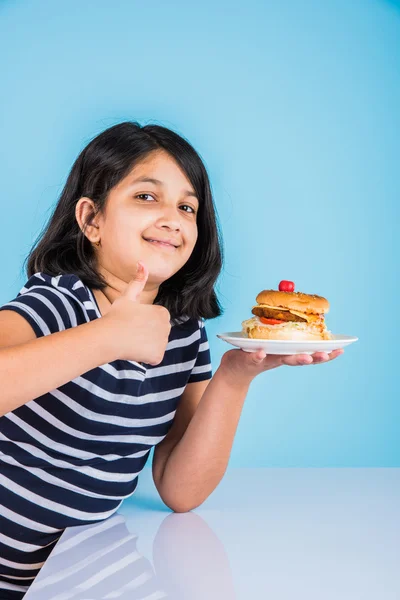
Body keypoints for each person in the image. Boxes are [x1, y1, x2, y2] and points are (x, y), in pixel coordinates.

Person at [0, 121, 344, 598]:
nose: (172, 218)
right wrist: (107, 337)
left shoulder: (183, 334)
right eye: (146, 197)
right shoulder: (58, 301)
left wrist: (235, 376)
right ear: (91, 220)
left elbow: (180, 490)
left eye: (187, 206)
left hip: (70, 575)